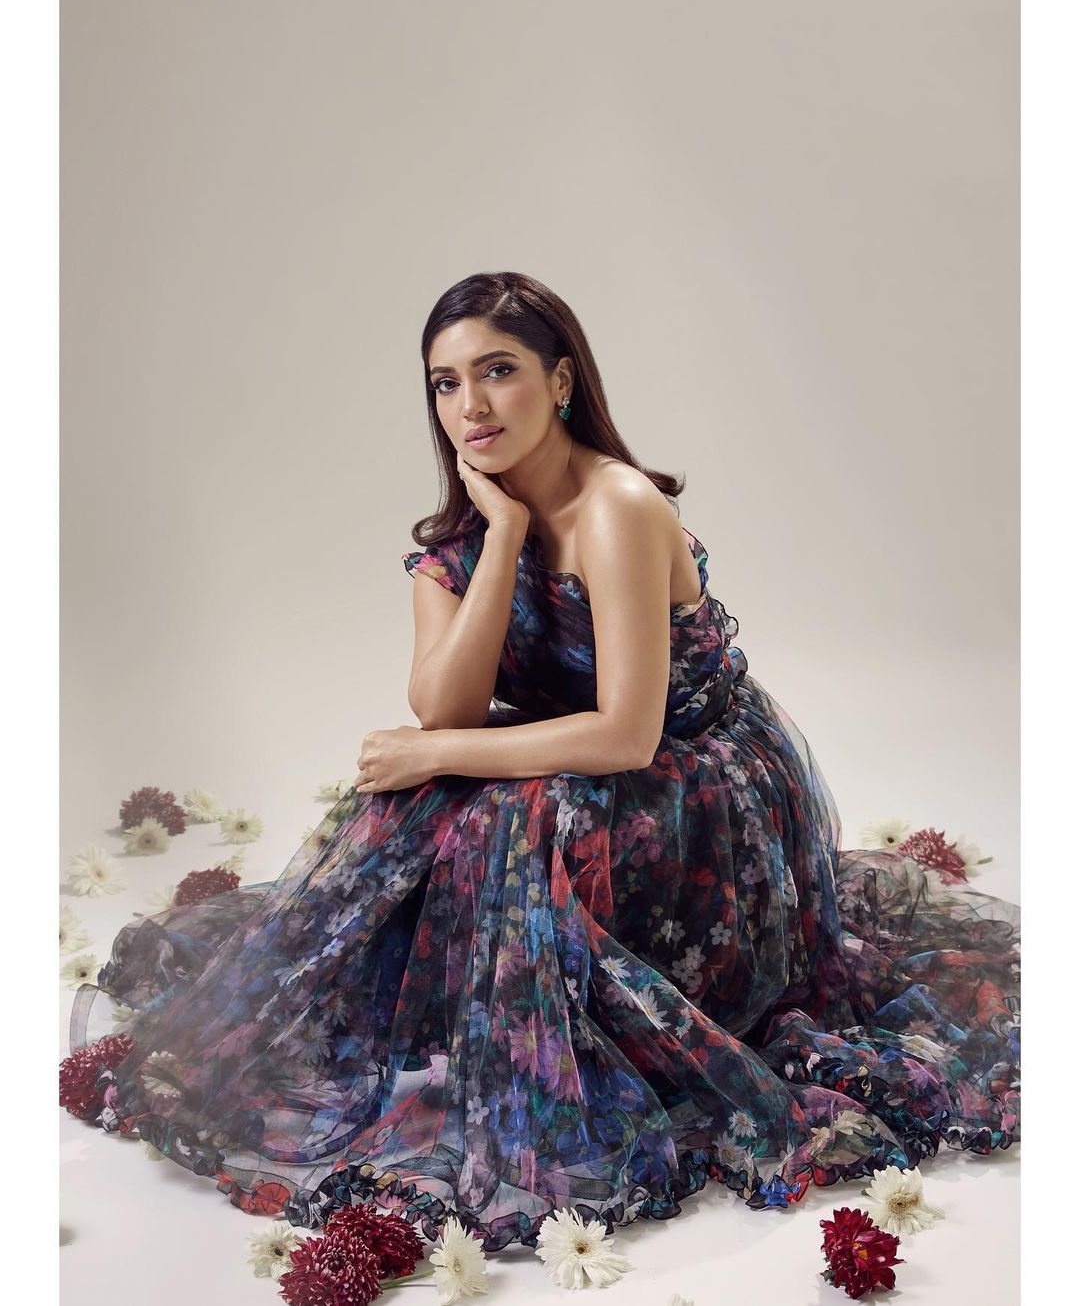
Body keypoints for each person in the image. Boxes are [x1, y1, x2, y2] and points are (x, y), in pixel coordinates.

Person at [62, 271, 1020, 1256]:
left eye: (498, 372)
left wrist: (444, 751)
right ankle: (442, 1020)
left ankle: (545, 1039)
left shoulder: (617, 507)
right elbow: (446, 707)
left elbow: (626, 736)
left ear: (561, 381)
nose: (470, 406)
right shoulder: (462, 540)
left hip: (694, 781)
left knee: (493, 806)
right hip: (572, 757)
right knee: (412, 799)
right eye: (445, 383)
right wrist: (504, 537)